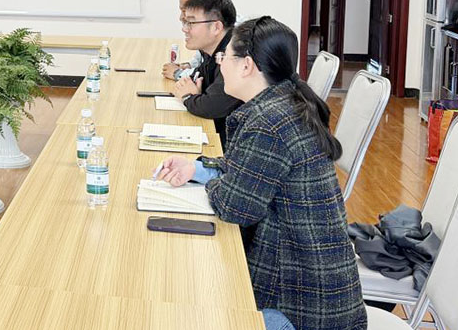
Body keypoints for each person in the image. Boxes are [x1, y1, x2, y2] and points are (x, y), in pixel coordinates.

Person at [155, 17, 367, 330]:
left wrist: (217, 185)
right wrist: (196, 168)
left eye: (225, 56)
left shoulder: (269, 123)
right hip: (315, 289)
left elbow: (235, 206)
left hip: (300, 308)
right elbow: (248, 167)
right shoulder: (284, 102)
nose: (220, 63)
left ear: (247, 66)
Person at [173, 0, 242, 139]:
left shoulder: (234, 55)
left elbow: (212, 105)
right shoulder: (211, 51)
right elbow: (197, 80)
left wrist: (188, 96)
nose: (184, 29)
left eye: (191, 23)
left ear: (216, 27)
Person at [162, 0, 215, 81]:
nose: (181, 17)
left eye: (184, 11)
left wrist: (178, 73)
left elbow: (211, 77)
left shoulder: (232, 37)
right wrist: (190, 65)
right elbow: (204, 59)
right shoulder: (207, 30)